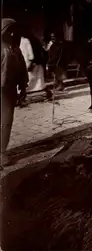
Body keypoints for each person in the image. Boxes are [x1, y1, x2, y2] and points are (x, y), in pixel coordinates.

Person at [1, 19, 28, 168]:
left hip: (11, 89)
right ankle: (1, 153)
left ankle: (2, 150)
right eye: (8, 30)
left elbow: (22, 68)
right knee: (5, 120)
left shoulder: (15, 49)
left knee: (7, 120)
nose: (12, 33)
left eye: (14, 30)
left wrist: (23, 86)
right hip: (1, 89)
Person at [18, 31, 51, 106]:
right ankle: (47, 94)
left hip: (32, 65)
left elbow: (31, 55)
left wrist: (29, 64)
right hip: (33, 64)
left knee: (27, 83)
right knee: (37, 82)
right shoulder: (28, 40)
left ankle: (21, 99)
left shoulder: (25, 41)